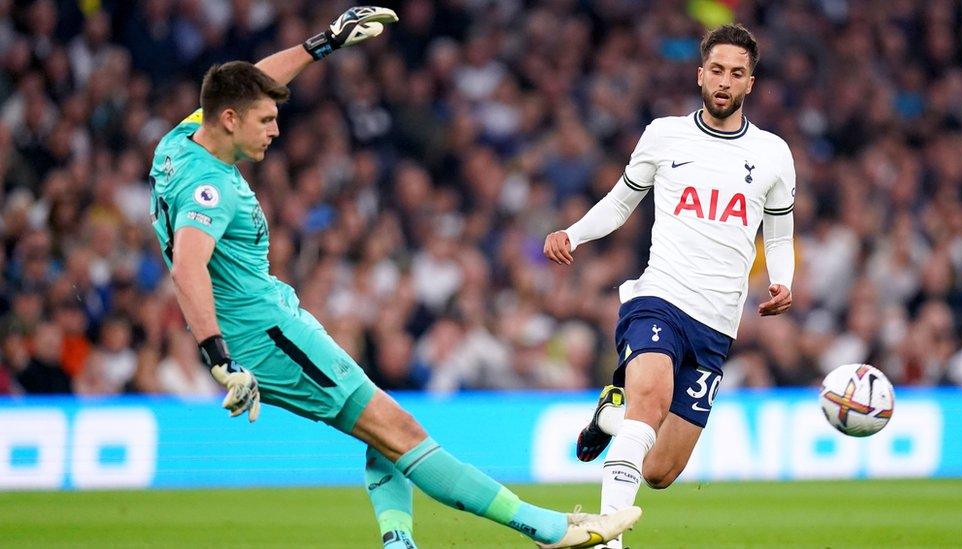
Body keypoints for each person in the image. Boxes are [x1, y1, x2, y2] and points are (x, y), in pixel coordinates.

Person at [147, 7, 640, 549]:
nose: (276, 129)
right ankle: (551, 531)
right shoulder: (207, 190)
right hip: (265, 336)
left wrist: (324, 43)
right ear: (230, 121)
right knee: (400, 432)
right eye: (266, 121)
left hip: (267, 327)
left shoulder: (182, 139)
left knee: (383, 428)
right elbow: (189, 267)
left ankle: (399, 543)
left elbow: (253, 81)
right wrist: (220, 358)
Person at [543, 24, 795, 549]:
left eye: (738, 73)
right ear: (700, 74)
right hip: (659, 298)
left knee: (659, 470)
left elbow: (781, 233)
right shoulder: (664, 136)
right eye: (718, 70)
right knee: (651, 402)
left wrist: (782, 281)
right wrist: (572, 232)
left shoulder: (774, 154)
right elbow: (619, 203)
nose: (725, 81)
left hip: (717, 326)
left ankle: (610, 412)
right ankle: (607, 541)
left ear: (751, 83)